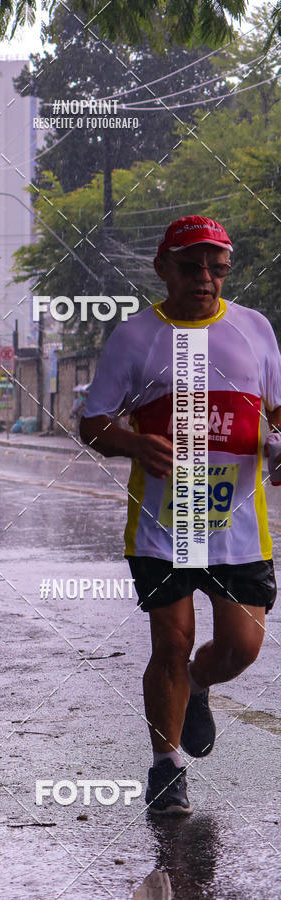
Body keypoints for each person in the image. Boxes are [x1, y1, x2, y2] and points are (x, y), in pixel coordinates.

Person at [79, 215, 281, 815]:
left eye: (216, 268)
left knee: (242, 646)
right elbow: (93, 424)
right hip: (164, 526)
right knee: (171, 640)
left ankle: (198, 685)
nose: (204, 279)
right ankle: (166, 768)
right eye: (191, 267)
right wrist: (135, 443)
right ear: (163, 268)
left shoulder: (254, 331)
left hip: (239, 526)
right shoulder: (135, 338)